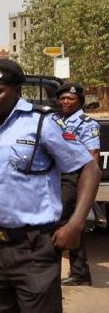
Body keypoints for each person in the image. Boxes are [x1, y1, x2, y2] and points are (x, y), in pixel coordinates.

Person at [0, 59, 101, 313]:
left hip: (34, 250)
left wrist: (75, 224)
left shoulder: (42, 124)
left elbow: (90, 168)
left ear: (17, 92)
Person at [56, 82, 100, 286]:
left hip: (73, 178)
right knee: (62, 222)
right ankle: (80, 272)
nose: (65, 101)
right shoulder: (56, 120)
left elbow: (92, 157)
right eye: (62, 98)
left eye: (70, 99)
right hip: (56, 177)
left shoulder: (86, 124)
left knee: (65, 223)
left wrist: (86, 184)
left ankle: (78, 272)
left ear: (80, 101)